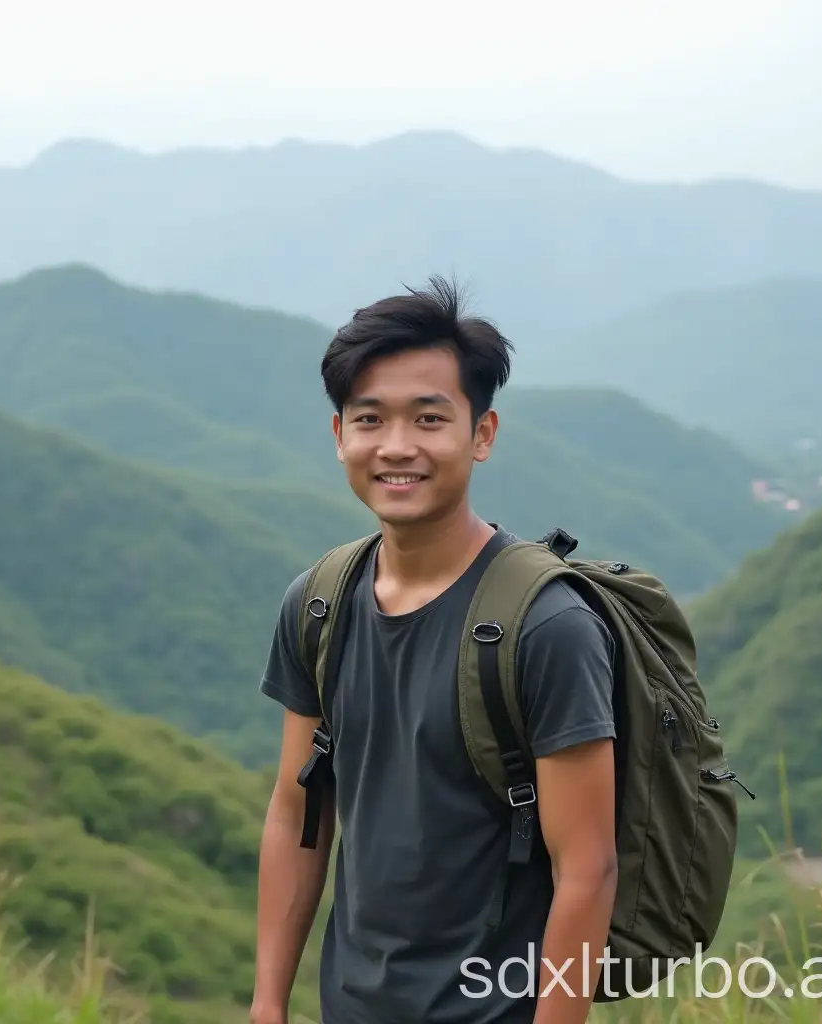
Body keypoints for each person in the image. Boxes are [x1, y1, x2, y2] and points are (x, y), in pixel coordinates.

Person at [251, 276, 618, 1024]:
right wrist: (267, 1004)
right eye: (370, 419)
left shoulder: (546, 627)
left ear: (482, 435)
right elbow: (296, 815)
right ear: (339, 436)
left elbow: (588, 868)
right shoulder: (318, 604)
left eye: (428, 418)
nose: (396, 447)